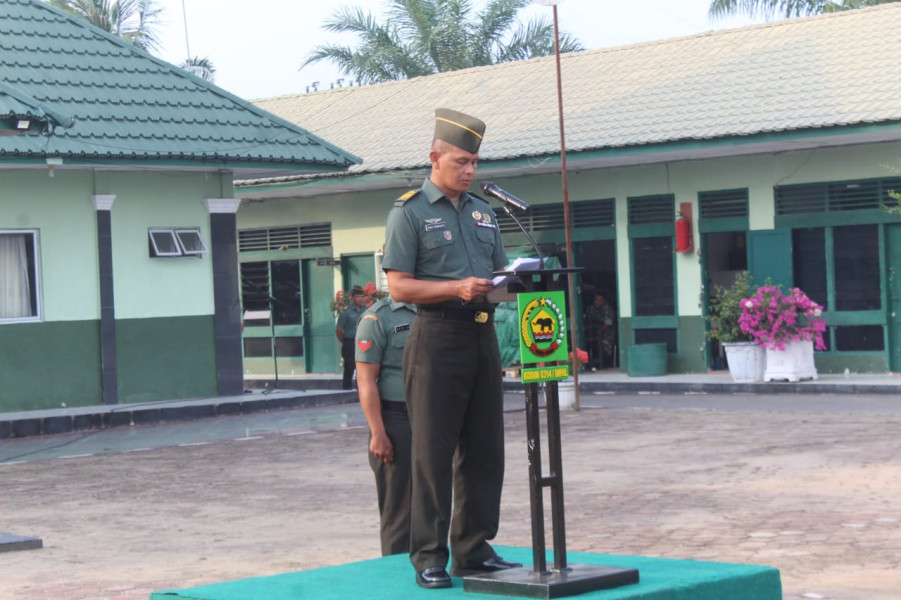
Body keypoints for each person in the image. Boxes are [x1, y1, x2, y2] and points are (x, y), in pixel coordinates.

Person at [382, 108, 521, 589]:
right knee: (433, 452)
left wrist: (515, 282)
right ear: (434, 157)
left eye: (475, 163)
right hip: (437, 337)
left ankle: (474, 549)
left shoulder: (484, 212)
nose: (469, 171)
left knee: (486, 450)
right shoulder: (410, 212)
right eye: (461, 161)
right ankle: (428, 556)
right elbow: (399, 288)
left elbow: (501, 275)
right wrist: (455, 288)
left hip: (482, 336)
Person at [355, 296, 415, 556]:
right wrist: (378, 433)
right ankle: (396, 569)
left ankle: (430, 561)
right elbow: (366, 381)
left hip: (431, 418)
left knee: (433, 500)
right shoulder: (377, 318)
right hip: (396, 420)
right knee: (399, 507)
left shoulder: (434, 309)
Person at [335, 286, 366, 389]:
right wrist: (346, 341)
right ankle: (347, 388)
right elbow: (339, 330)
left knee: (362, 366)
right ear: (352, 298)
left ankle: (360, 388)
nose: (361, 299)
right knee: (349, 366)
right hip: (350, 342)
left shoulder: (366, 311)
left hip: (363, 342)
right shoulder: (346, 313)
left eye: (362, 297)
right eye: (358, 297)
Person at [585, 292, 615, 370]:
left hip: (606, 333)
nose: (597, 302)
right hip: (591, 331)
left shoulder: (608, 309)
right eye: (596, 300)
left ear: (604, 301)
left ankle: (606, 364)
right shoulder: (590, 309)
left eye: (600, 300)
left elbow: (608, 325)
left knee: (605, 346)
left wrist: (598, 331)